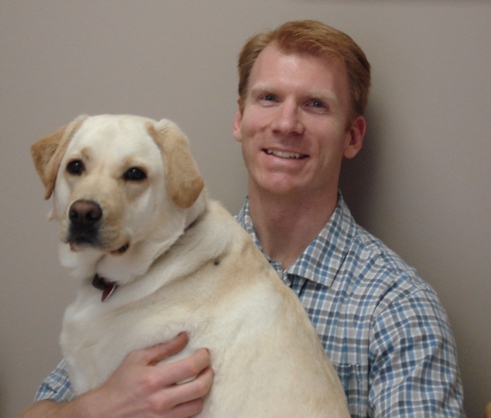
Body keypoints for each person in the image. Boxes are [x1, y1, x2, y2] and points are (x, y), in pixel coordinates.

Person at [21, 20, 464, 418]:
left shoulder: (399, 310)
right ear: (240, 118)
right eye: (268, 98)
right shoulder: (149, 263)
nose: (286, 123)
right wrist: (93, 409)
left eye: (315, 105)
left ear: (352, 136)